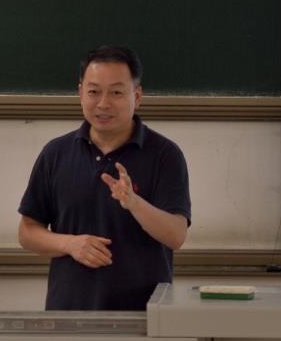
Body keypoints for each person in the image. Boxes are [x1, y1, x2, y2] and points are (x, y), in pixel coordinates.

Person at [18, 45, 191, 310]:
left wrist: (134, 203)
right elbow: (27, 232)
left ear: (137, 96)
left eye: (116, 92)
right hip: (68, 316)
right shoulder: (56, 153)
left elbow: (176, 236)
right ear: (80, 94)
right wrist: (70, 244)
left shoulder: (165, 154)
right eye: (94, 92)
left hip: (143, 317)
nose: (103, 104)